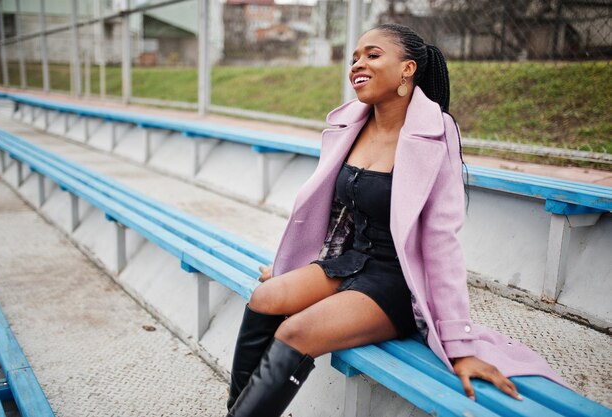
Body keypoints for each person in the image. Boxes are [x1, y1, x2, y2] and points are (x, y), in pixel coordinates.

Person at [225, 24, 566, 417]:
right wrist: (290, 271)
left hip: (396, 283)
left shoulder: (436, 133)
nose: (357, 64)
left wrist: (459, 345)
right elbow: (335, 216)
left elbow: (442, 241)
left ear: (407, 69)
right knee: (265, 297)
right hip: (349, 262)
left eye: (372, 55)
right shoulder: (351, 124)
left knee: (295, 332)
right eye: (354, 57)